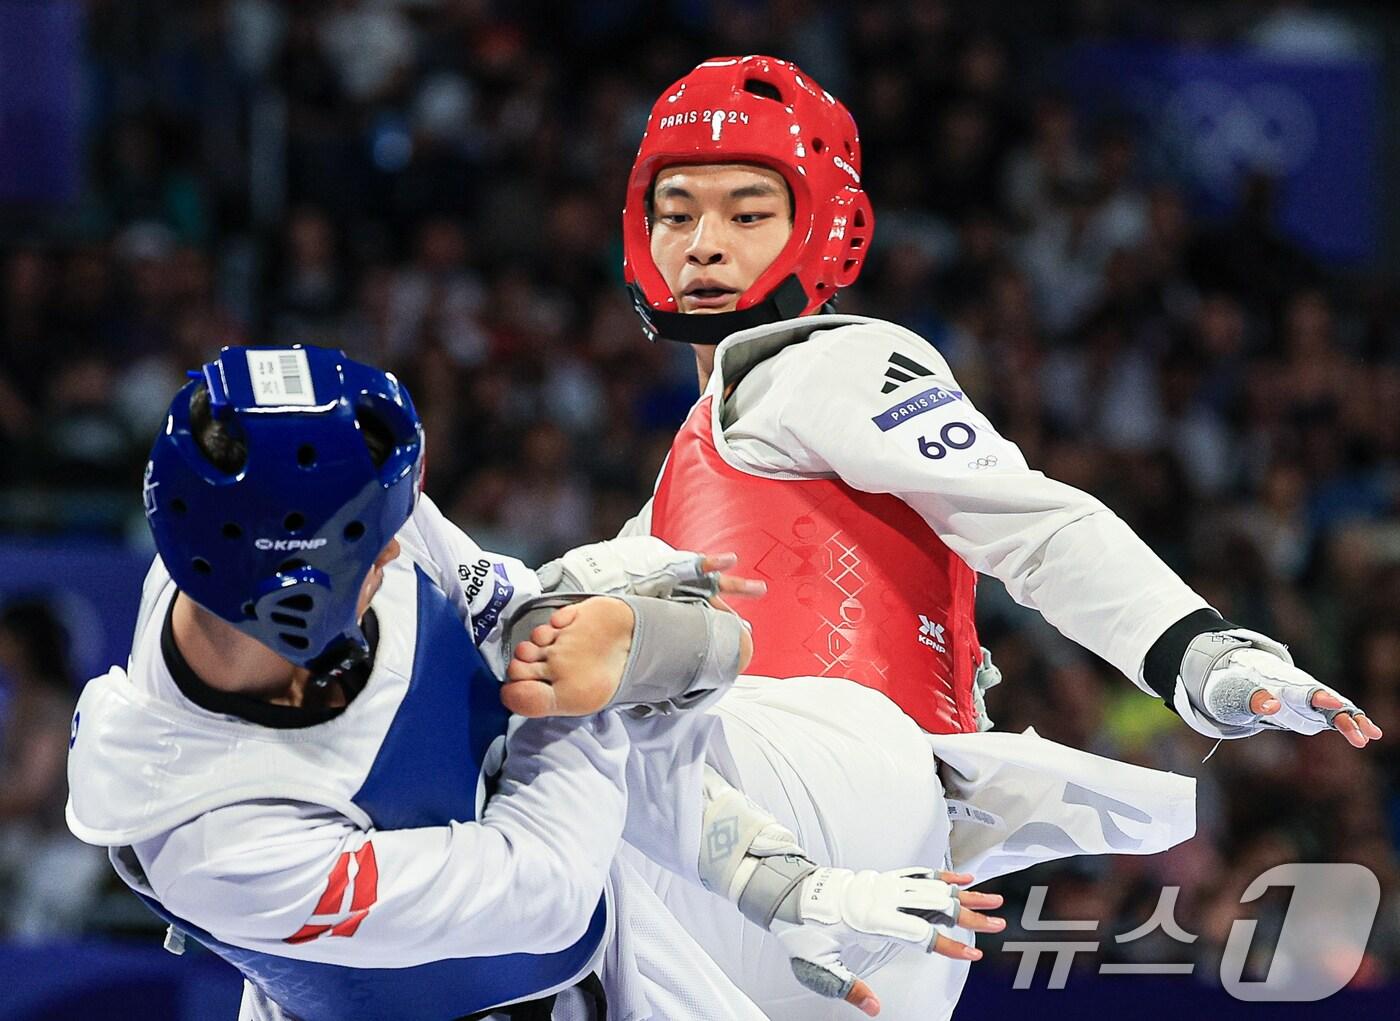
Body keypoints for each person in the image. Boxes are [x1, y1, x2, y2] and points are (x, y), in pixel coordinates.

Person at [611, 55, 1382, 1018]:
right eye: (677, 212)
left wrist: (1195, 649)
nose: (705, 246)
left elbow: (1028, 519)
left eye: (748, 212)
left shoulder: (833, 359)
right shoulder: (670, 495)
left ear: (824, 225)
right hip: (893, 883)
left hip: (823, 770)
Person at [65, 345, 985, 1021]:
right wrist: (584, 685)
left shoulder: (250, 546)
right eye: (371, 543)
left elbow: (502, 604)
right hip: (503, 965)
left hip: (599, 927)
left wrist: (604, 628)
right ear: (291, 592)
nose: (399, 543)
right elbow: (546, 889)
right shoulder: (223, 840)